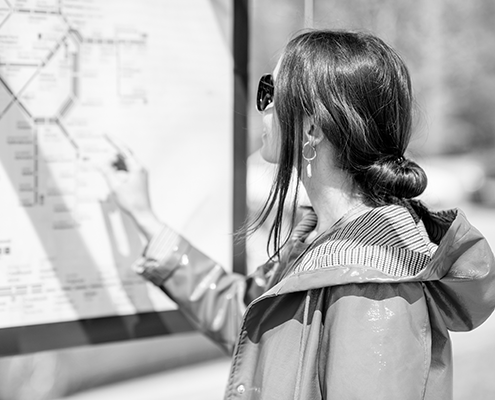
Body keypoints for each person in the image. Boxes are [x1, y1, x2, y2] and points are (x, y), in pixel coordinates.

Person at [100, 30, 495, 400]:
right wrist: (144, 217)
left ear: (311, 128)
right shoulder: (321, 243)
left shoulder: (373, 283)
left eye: (270, 92)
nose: (263, 107)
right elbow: (250, 318)